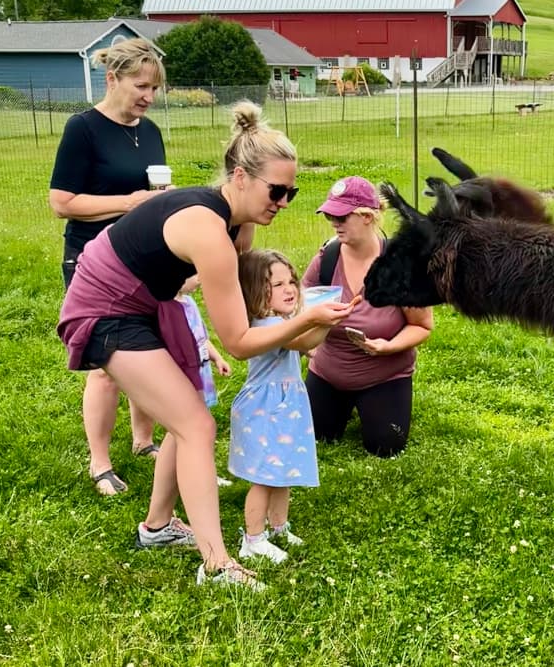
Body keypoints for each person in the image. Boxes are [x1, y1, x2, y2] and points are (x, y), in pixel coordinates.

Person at [56, 100, 357, 588]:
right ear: (240, 177)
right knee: (196, 424)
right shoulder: (208, 228)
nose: (283, 201)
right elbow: (239, 342)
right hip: (106, 308)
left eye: (292, 192)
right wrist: (309, 319)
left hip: (149, 301)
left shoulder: (239, 226)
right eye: (276, 190)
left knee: (185, 413)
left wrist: (293, 309)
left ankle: (156, 528)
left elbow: (242, 294)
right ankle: (216, 563)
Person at [49, 37, 166, 495]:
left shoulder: (150, 130)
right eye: (140, 86)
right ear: (112, 78)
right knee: (106, 363)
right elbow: (61, 203)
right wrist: (129, 202)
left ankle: (143, 440)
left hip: (143, 258)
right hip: (93, 261)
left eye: (154, 88)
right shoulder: (83, 129)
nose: (148, 97)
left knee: (149, 351)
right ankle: (100, 463)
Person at [302, 176, 434, 457]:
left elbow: (422, 326)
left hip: (384, 373)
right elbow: (300, 304)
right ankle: (339, 404)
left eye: (341, 216)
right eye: (329, 215)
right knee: (316, 437)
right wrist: (309, 342)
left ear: (367, 217)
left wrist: (388, 347)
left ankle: (372, 403)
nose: (333, 222)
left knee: (386, 445)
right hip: (328, 370)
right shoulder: (327, 258)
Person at [230, 249, 327, 564]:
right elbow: (301, 341)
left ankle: (278, 526)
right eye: (278, 284)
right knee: (264, 477)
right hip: (265, 409)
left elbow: (298, 344)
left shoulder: (281, 322)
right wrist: (329, 320)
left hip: (284, 407)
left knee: (281, 471)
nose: (290, 289)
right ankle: (253, 539)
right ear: (257, 291)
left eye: (292, 282)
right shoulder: (264, 324)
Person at [176, 275, 235, 488]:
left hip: (202, 373)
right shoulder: (170, 309)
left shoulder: (189, 303)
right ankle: (199, 475)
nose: (200, 278)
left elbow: (202, 338)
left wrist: (217, 357)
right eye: (192, 274)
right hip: (186, 379)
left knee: (201, 427)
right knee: (196, 429)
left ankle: (200, 472)